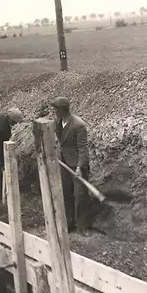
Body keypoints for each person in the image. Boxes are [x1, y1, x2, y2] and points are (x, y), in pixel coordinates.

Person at [50, 96, 90, 233]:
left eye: (56, 110)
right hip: (64, 163)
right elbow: (60, 142)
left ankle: (82, 226)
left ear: (63, 110)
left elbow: (83, 149)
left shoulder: (79, 125)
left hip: (78, 164)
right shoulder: (57, 122)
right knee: (66, 193)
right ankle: (69, 223)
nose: (54, 112)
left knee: (80, 195)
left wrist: (79, 168)